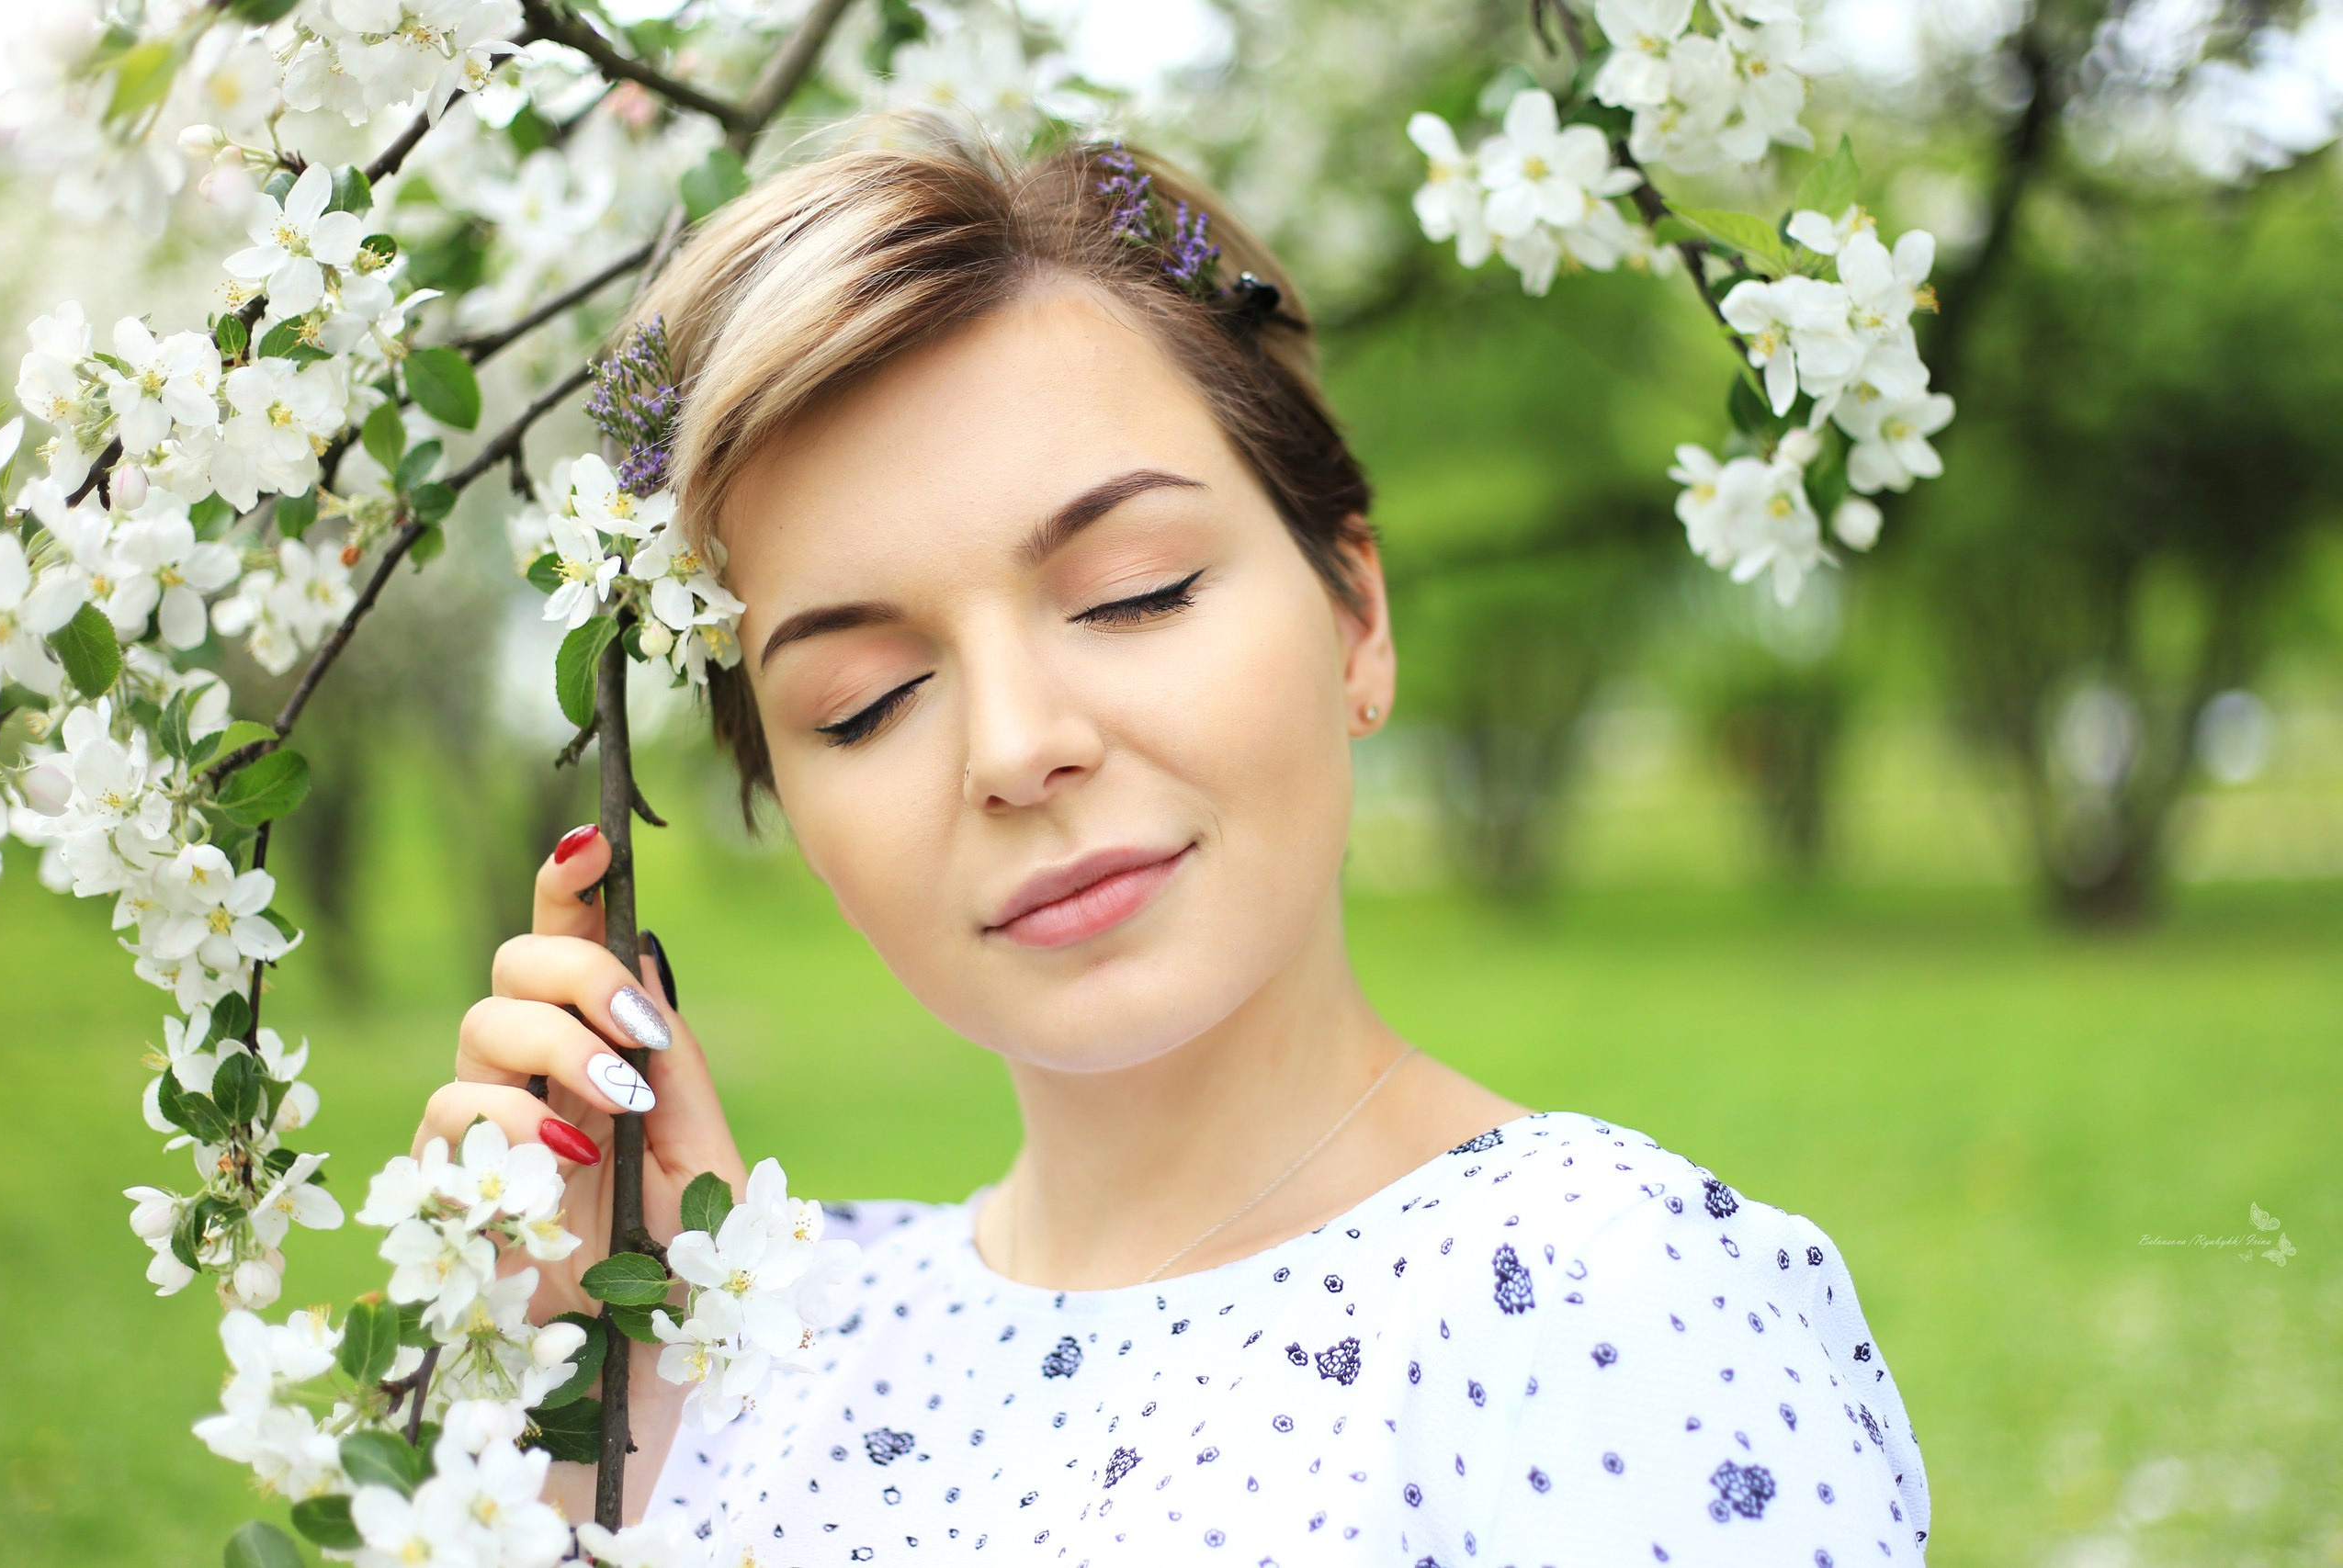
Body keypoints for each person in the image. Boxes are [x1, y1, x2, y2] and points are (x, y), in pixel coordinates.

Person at [412, 121, 1930, 1564]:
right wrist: (587, 1403)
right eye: (865, 703)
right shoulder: (765, 1334)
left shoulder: (1600, 1298)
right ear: (789, 808)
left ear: (1356, 616)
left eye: (1132, 592)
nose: (1017, 748)